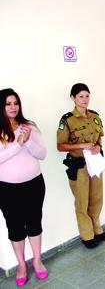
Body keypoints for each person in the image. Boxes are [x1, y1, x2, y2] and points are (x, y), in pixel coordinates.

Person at [0, 88, 48, 286]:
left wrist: (27, 142)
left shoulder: (29, 126)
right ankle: (21, 264)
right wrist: (18, 144)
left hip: (34, 185)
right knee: (15, 227)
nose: (13, 107)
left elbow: (42, 154)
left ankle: (37, 260)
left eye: (15, 103)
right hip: (7, 189)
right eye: (8, 104)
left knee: (34, 223)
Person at [57, 83, 105, 249]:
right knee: (82, 202)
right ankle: (87, 236)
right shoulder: (67, 120)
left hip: (95, 163)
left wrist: (98, 146)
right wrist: (80, 146)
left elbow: (99, 137)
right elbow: (60, 145)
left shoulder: (94, 116)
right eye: (81, 96)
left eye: (87, 96)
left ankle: (97, 229)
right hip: (79, 166)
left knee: (97, 198)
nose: (85, 99)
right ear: (73, 98)